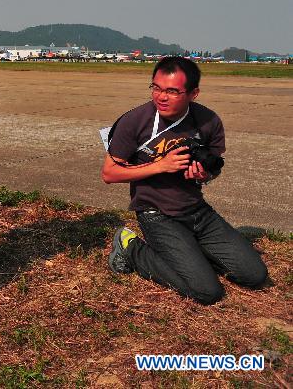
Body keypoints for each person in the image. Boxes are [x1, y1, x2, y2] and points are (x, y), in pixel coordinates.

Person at [102, 57, 267, 304]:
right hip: (156, 214)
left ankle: (190, 252)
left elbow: (213, 167)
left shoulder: (208, 121)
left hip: (197, 211)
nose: (161, 97)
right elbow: (109, 174)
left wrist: (205, 175)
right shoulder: (134, 121)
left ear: (193, 93)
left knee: (255, 275)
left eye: (172, 91)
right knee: (207, 292)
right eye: (156, 88)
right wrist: (160, 165)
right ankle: (131, 249)